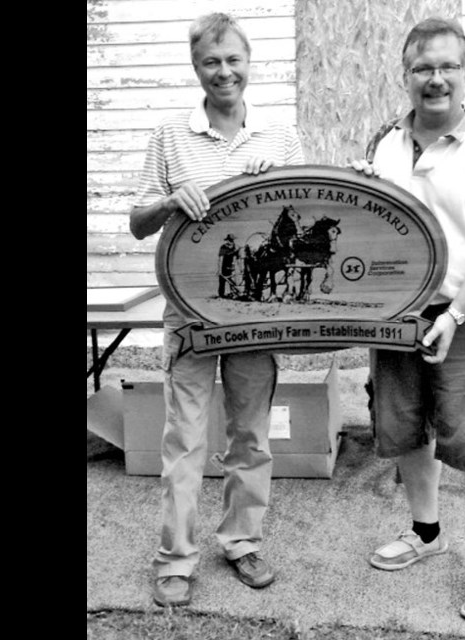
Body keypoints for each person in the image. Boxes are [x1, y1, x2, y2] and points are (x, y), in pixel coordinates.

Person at [349, 17, 465, 623]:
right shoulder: (384, 140)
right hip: (395, 312)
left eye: (448, 66)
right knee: (403, 427)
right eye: (423, 68)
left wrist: (455, 312)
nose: (436, 79)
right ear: (405, 75)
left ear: (464, 71)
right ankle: (426, 533)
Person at [129, 12, 305, 607]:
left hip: (256, 316)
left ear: (249, 62)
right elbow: (136, 223)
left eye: (233, 59)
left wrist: (276, 177)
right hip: (191, 313)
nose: (223, 71)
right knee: (184, 438)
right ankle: (176, 558)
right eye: (210, 61)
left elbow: (301, 215)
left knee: (252, 435)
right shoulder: (169, 136)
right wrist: (167, 201)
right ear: (195, 67)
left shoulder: (280, 137)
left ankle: (242, 541)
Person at [217, 233, 239, 298]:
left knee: (232, 282)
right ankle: (221, 295)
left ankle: (233, 293)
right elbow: (220, 259)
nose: (231, 242)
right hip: (224, 267)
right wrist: (219, 270)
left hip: (231, 267)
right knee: (222, 282)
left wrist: (236, 267)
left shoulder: (235, 247)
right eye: (230, 240)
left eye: (232, 240)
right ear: (227, 240)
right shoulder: (223, 247)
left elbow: (237, 258)